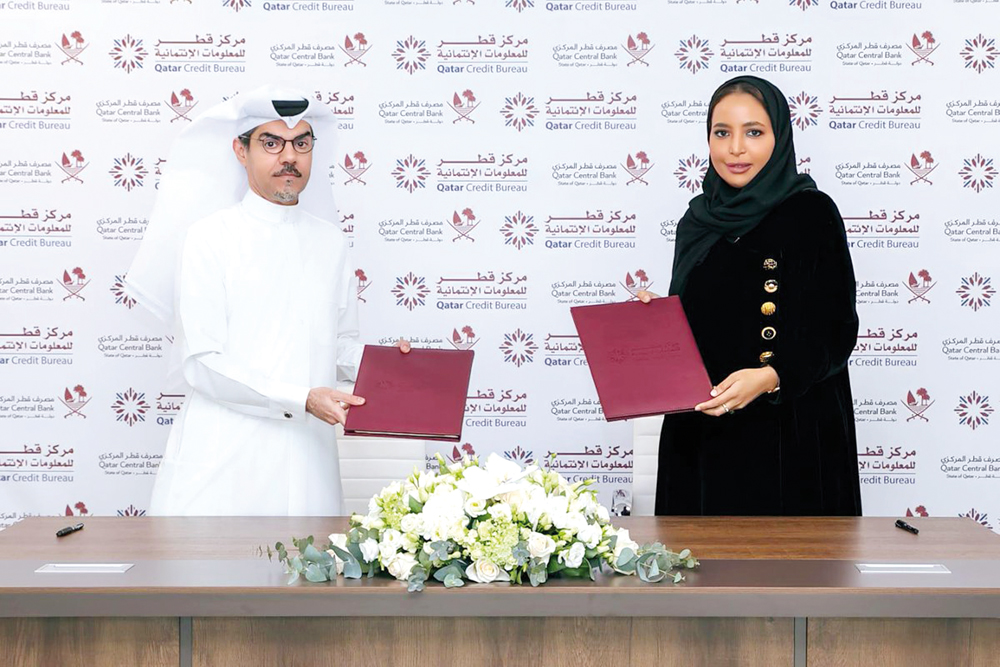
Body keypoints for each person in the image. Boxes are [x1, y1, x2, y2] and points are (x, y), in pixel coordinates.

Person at [127, 85, 408, 516]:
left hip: (308, 463)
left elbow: (342, 345)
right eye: (271, 143)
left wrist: (392, 365)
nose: (289, 157)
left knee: (312, 576)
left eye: (301, 143)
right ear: (241, 152)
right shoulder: (209, 238)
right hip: (224, 465)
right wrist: (302, 399)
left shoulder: (330, 241)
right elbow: (202, 362)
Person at [639, 75, 861, 516]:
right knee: (699, 572)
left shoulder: (811, 213)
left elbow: (836, 330)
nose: (735, 148)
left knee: (787, 577)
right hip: (702, 432)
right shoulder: (697, 221)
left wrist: (773, 375)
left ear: (779, 139)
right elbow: (700, 327)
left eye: (753, 132)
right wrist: (655, 322)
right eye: (722, 133)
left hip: (789, 433)